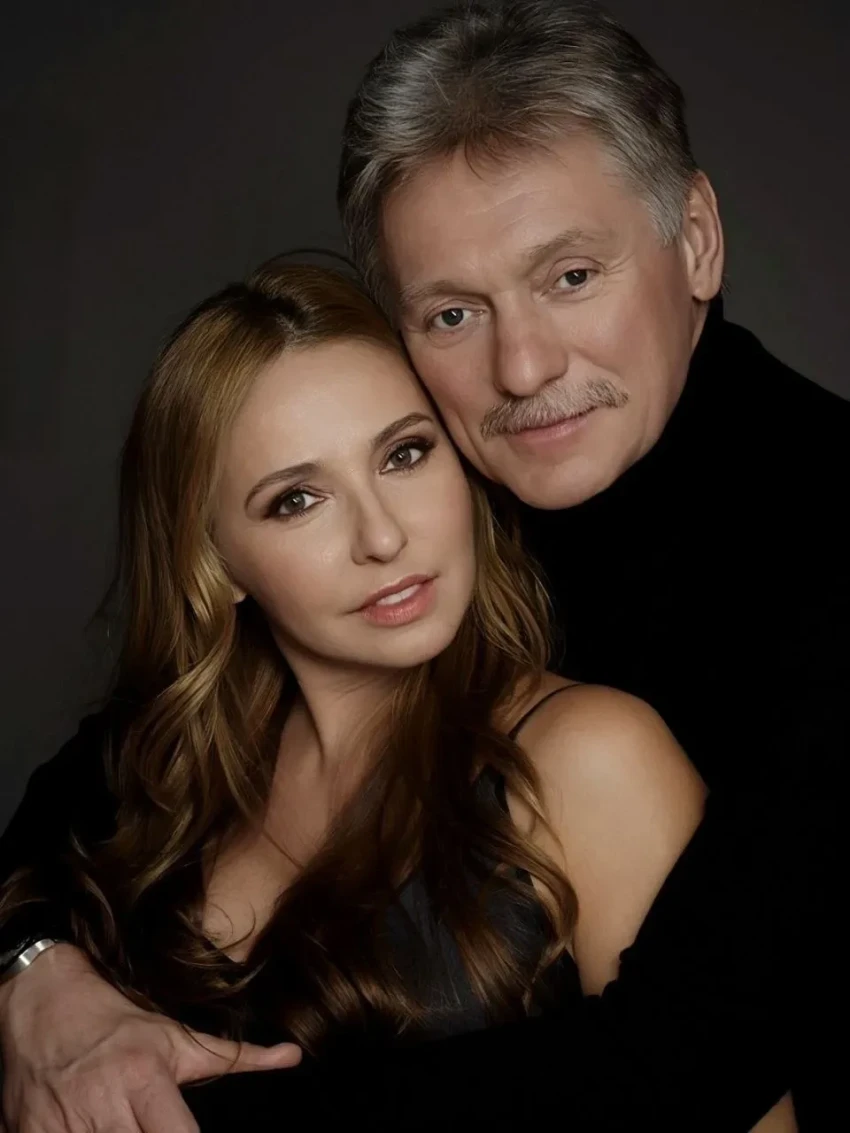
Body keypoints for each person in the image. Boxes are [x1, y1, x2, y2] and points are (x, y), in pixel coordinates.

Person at [0, 1, 845, 1130]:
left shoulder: (829, 535)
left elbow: (688, 1053)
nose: (523, 365)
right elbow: (84, 797)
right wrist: (35, 970)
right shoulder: (446, 495)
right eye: (451, 312)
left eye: (571, 276)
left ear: (694, 238)